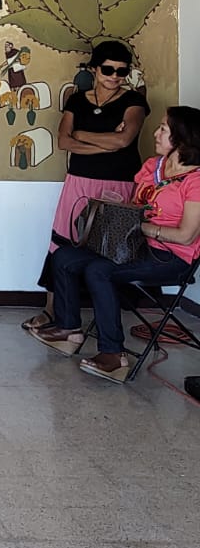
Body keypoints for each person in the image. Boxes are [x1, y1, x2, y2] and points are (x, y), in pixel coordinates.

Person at [33, 107, 200, 381]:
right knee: (63, 257)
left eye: (163, 129)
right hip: (134, 247)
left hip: (170, 258)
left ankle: (113, 355)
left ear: (183, 138)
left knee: (99, 270)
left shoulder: (195, 181)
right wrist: (117, 208)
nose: (155, 134)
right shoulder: (153, 167)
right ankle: (68, 330)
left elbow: (186, 236)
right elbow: (136, 206)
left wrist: (142, 228)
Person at [23, 41, 148, 336]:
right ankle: (52, 310)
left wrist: (82, 135)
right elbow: (64, 141)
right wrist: (104, 142)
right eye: (108, 69)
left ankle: (107, 316)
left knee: (111, 245)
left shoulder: (134, 101)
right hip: (79, 181)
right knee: (62, 242)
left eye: (121, 71)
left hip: (119, 182)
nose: (114, 76)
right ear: (94, 69)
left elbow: (124, 141)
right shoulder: (77, 101)